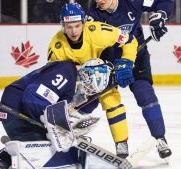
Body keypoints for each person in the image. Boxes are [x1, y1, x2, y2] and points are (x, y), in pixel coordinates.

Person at [0, 58, 113, 169]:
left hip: (19, 112)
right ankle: (11, 154)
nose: (90, 86)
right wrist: (58, 125)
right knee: (53, 149)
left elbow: (77, 110)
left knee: (52, 145)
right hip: (17, 112)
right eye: (90, 80)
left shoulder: (72, 79)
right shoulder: (67, 71)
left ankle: (9, 154)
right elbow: (33, 97)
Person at [47, 2, 138, 158]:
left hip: (100, 75)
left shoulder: (97, 31)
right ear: (63, 26)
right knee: (67, 109)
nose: (73, 31)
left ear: (83, 22)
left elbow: (129, 40)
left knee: (112, 101)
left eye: (77, 25)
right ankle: (68, 132)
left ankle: (121, 143)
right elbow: (53, 76)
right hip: (75, 82)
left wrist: (127, 62)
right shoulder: (56, 46)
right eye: (69, 27)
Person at [86, 0, 173, 159]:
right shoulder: (92, 16)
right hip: (108, 62)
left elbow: (164, 1)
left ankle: (160, 138)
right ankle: (121, 142)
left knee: (145, 94)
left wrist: (160, 15)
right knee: (109, 100)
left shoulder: (133, 1)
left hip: (136, 55)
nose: (100, 1)